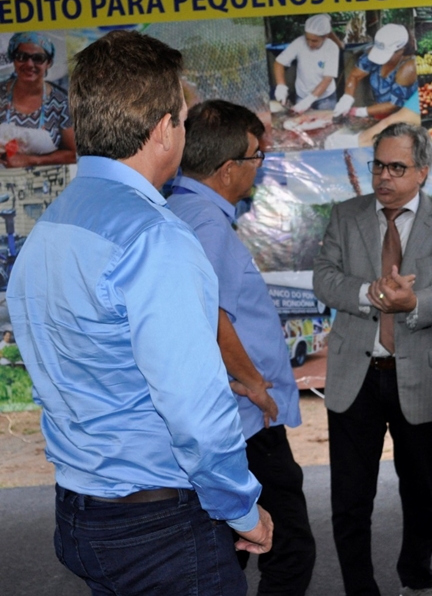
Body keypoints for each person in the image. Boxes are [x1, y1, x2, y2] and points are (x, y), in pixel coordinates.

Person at [6, 30, 273, 596]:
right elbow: (196, 413)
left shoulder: (50, 225)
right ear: (164, 130)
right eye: (184, 119)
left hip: (82, 511)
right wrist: (242, 509)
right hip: (159, 529)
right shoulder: (156, 238)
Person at [312, 122, 432, 596]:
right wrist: (370, 292)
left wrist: (415, 302)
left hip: (419, 375)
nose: (383, 177)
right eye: (378, 166)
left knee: (420, 492)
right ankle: (359, 587)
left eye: (397, 168)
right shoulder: (346, 215)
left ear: (423, 171)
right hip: (355, 377)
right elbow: (324, 278)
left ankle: (417, 576)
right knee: (350, 499)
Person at [168, 99, 316, 596]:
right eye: (256, 156)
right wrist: (255, 384)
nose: (260, 165)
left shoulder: (182, 209)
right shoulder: (207, 222)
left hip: (223, 416)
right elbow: (207, 316)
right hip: (244, 420)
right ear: (228, 168)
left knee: (231, 550)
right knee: (288, 549)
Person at [0, 32, 76, 167]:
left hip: (44, 177)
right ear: (14, 60)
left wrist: (32, 160)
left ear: (48, 63)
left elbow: (73, 154)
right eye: (22, 57)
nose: (29, 64)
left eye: (38, 58)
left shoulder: (61, 103)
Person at [333, 24, 418, 120]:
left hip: (404, 114)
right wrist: (347, 98)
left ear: (401, 50)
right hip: (379, 109)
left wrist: (359, 111)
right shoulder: (371, 55)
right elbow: (355, 76)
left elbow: (394, 104)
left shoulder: (408, 68)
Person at [273, 13, 342, 114]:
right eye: (307, 39)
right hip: (302, 95)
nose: (309, 44)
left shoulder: (332, 48)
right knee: (299, 122)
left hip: (325, 98)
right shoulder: (299, 43)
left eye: (314, 41)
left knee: (325, 122)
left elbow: (327, 79)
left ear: (325, 36)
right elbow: (279, 63)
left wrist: (308, 101)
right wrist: (281, 86)